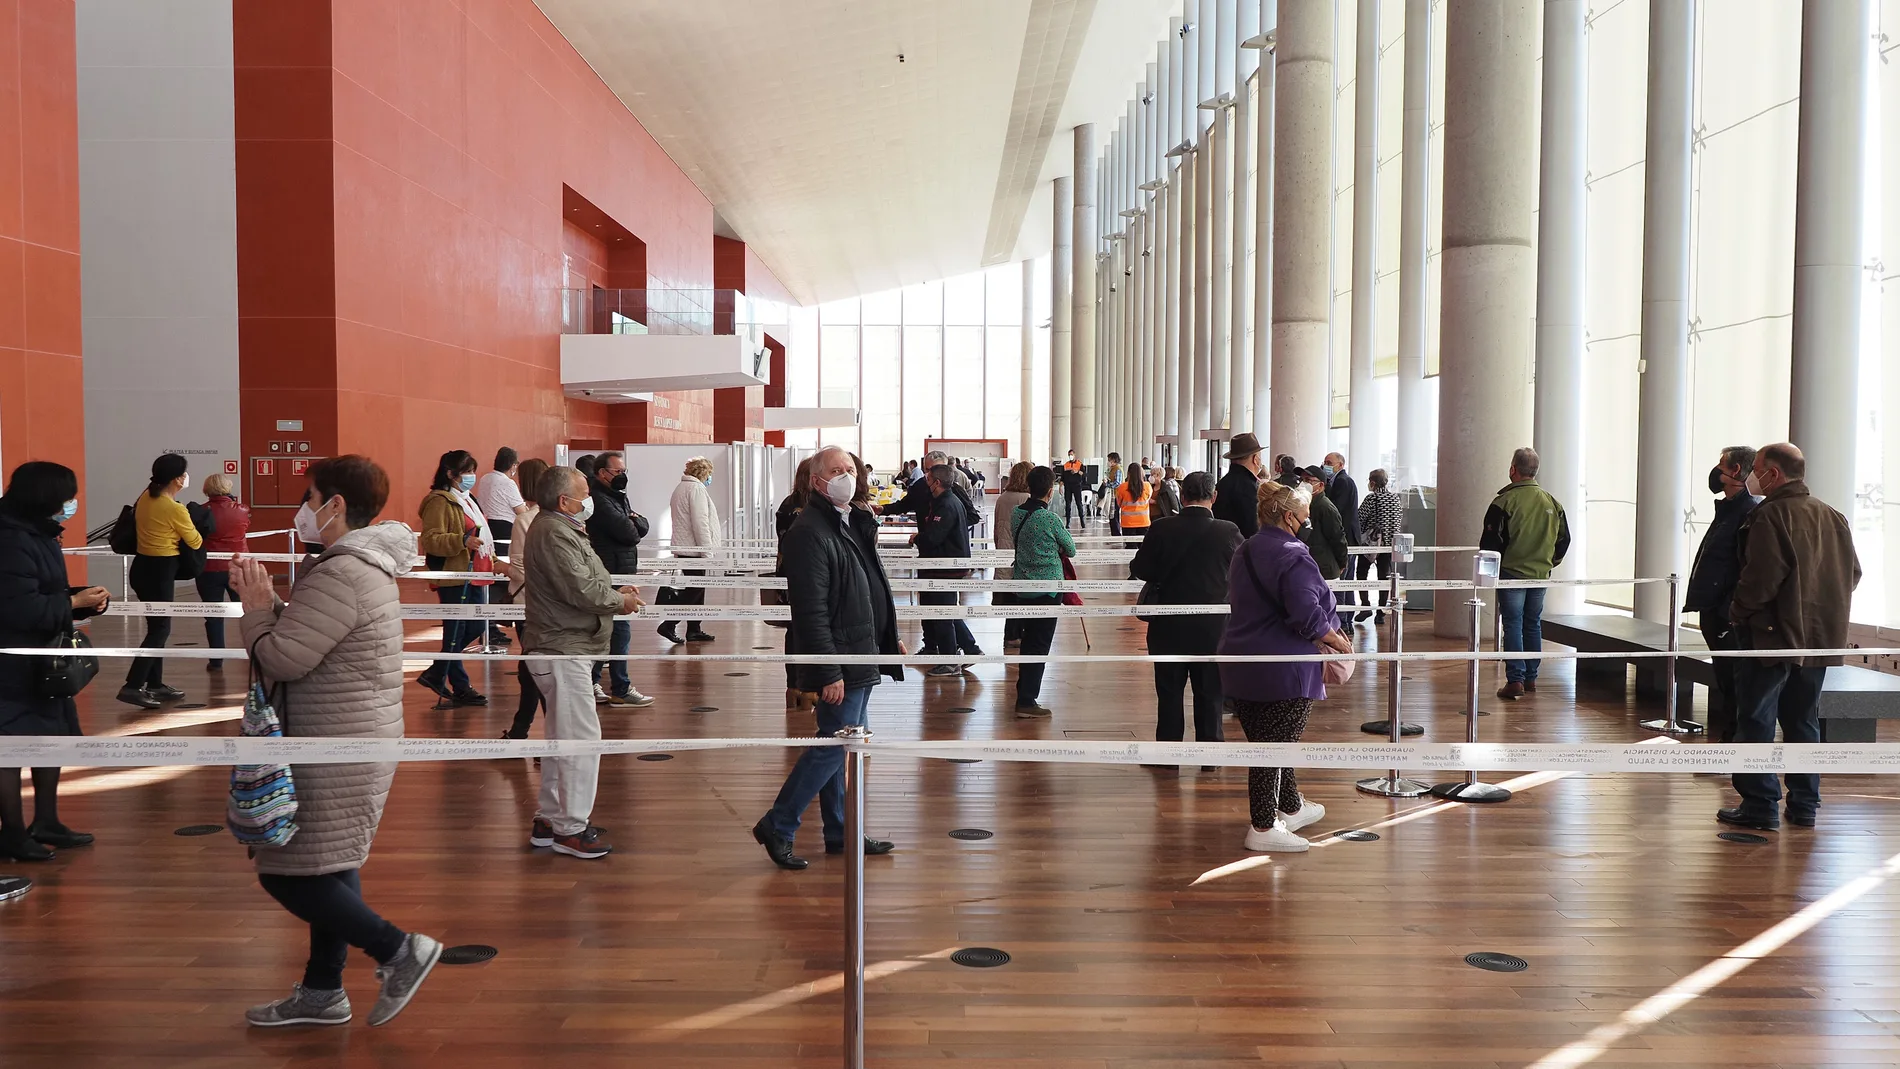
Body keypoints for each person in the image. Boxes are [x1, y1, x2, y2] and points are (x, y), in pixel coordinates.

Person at [228, 454, 443, 1028]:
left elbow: (281, 657)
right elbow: (309, 637)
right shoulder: (354, 567)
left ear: (336, 505)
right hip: (348, 735)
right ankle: (323, 991)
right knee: (330, 865)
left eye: (309, 497)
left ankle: (399, 950)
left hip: (335, 741)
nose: (302, 511)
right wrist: (271, 605)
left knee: (285, 871)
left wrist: (253, 613)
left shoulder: (342, 571)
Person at [753, 445, 902, 870]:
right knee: (834, 746)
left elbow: (869, 589)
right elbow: (811, 612)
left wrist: (888, 640)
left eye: (850, 469)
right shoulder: (809, 532)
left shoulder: (853, 521)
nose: (846, 476)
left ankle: (840, 830)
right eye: (837, 470)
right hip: (841, 657)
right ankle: (778, 823)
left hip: (861, 648)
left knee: (842, 744)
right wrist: (828, 671)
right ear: (817, 481)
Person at [1720, 443, 1861, 832]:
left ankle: (1760, 803)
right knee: (1803, 720)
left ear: (1774, 474)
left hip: (1771, 636)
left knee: (1756, 719)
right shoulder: (1833, 516)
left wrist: (1737, 612)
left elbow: (1760, 579)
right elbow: (1853, 574)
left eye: (1758, 468)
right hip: (1818, 637)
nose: (1752, 475)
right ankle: (1804, 805)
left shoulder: (1769, 515)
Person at [1219, 481, 1353, 853]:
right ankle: (1263, 826)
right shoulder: (1294, 554)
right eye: (1305, 516)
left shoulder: (1244, 549)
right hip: (1284, 668)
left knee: (1271, 740)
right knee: (1272, 747)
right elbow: (1306, 612)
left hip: (1240, 661)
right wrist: (1335, 639)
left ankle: (1289, 806)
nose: (1307, 522)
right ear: (1290, 517)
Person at [522, 465, 645, 859]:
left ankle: (551, 819)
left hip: (564, 647)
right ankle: (570, 828)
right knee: (579, 741)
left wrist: (612, 587)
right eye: (582, 494)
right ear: (564, 501)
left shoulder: (558, 528)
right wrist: (618, 601)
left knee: (564, 737)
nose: (587, 501)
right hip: (562, 649)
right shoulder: (554, 532)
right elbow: (579, 590)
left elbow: (586, 578)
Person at [0, 461, 109, 861]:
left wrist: (80, 600)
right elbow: (18, 608)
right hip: (12, 666)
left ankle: (46, 820)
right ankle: (11, 832)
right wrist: (71, 603)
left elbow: (45, 591)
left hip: (43, 661)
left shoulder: (38, 532)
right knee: (8, 750)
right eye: (67, 496)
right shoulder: (11, 539)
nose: (71, 504)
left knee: (50, 739)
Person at [1130, 471, 1242, 744]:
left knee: (1168, 692)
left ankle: (1169, 752)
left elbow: (1141, 568)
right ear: (1213, 497)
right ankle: (1211, 750)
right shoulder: (1228, 531)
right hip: (1212, 627)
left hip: (1168, 624)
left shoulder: (1161, 528)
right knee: (1211, 692)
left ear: (1182, 496)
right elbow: (1242, 571)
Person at [1480, 447, 1571, 701]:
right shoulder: (1553, 502)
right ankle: (1531, 677)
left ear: (1513, 470)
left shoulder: (1503, 502)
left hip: (1511, 573)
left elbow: (1489, 544)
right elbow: (1564, 540)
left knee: (1512, 624)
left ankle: (1515, 680)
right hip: (1540, 574)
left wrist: (1492, 573)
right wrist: (1548, 564)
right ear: (1535, 471)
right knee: (1533, 624)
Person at [1684, 446, 1760, 743]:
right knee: (1726, 683)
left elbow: (1744, 568)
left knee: (1734, 684)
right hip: (1715, 611)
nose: (1717, 471)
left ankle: (1733, 747)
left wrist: (1730, 612)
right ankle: (1729, 744)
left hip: (1727, 615)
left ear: (1736, 471)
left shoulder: (1748, 513)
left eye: (1721, 465)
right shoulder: (1728, 510)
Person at [119, 453, 203, 709]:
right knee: (160, 630)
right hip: (160, 571)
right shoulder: (174, 509)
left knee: (156, 627)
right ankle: (132, 686)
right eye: (185, 473)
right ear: (178, 479)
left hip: (142, 568)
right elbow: (196, 541)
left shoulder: (145, 497)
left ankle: (155, 683)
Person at [415, 450, 490, 709]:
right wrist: (461, 541)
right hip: (455, 575)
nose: (472, 476)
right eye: (467, 471)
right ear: (450, 474)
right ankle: (460, 686)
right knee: (457, 631)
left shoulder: (469, 500)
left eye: (473, 470)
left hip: (476, 572)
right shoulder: (439, 502)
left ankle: (437, 672)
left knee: (472, 629)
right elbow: (431, 539)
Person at [583, 451, 653, 707]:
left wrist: (634, 521)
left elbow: (641, 524)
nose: (622, 476)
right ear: (602, 473)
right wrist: (633, 522)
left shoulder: (617, 497)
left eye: (624, 472)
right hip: (609, 573)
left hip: (621, 571)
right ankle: (618, 687)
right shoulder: (600, 501)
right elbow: (630, 533)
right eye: (617, 472)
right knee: (615, 632)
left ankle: (599, 683)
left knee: (613, 632)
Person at [1008, 465, 1075, 717]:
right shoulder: (1050, 519)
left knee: (1029, 641)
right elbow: (1070, 548)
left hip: (1022, 586)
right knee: (1039, 644)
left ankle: (1023, 690)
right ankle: (1026, 700)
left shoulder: (1017, 513)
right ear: (1050, 491)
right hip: (1048, 589)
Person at [914, 463, 981, 675]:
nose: (925, 482)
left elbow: (934, 537)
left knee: (943, 614)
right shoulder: (948, 501)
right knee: (947, 611)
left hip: (945, 568)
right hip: (946, 566)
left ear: (937, 482)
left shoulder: (946, 505)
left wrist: (918, 538)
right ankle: (970, 649)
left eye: (928, 478)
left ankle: (951, 660)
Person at [501, 458, 550, 740]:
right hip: (552, 607)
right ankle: (520, 730)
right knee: (532, 669)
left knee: (534, 671)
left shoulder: (525, 520)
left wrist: (501, 566)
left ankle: (543, 736)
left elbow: (520, 570)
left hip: (530, 606)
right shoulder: (564, 520)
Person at [657, 456, 721, 645]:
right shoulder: (696, 489)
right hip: (694, 550)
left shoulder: (682, 488)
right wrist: (707, 551)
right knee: (694, 589)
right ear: (703, 473)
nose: (710, 477)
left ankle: (694, 629)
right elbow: (700, 522)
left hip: (686, 548)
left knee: (697, 589)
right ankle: (669, 623)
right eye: (709, 473)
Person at [198, 472, 252, 671]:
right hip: (237, 566)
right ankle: (255, 652)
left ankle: (216, 659)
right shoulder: (242, 510)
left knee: (213, 616)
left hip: (209, 569)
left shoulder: (201, 512)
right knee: (248, 612)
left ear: (207, 490)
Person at [777, 457, 817, 710]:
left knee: (793, 632)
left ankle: (793, 686)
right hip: (810, 578)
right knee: (813, 631)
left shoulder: (786, 504)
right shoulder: (815, 506)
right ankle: (811, 686)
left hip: (788, 576)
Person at [992, 462, 1035, 650]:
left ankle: (1010, 635)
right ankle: (1019, 635)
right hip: (1021, 552)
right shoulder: (1027, 498)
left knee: (1009, 596)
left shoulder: (1002, 498)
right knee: (1022, 596)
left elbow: (996, 529)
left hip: (1003, 550)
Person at [1354, 468, 1404, 624]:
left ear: (1373, 482)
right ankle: (1381, 612)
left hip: (1372, 544)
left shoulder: (1372, 499)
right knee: (1384, 577)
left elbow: (1359, 519)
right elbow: (1399, 519)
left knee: (1361, 573)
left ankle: (1366, 606)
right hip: (1389, 545)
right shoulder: (1395, 498)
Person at [1297, 466, 1350, 582]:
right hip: (1309, 567)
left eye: (1308, 480)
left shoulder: (1325, 507)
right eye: (1302, 480)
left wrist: (1342, 563)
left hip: (1325, 570)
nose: (1303, 484)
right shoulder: (1305, 504)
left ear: (1321, 485)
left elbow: (1337, 538)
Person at [475, 447, 526, 558]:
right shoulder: (508, 483)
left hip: (486, 526)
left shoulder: (485, 478)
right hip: (505, 528)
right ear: (513, 465)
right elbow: (521, 511)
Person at [1214, 434, 1264, 538]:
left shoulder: (1221, 484)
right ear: (1255, 459)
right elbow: (1252, 528)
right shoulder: (1250, 487)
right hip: (1242, 549)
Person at [1115, 461, 1153, 545]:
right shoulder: (1147, 486)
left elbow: (1119, 503)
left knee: (1130, 547)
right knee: (1143, 548)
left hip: (1127, 523)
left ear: (1128, 473)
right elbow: (1148, 499)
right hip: (1143, 521)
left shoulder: (1122, 487)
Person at [1060, 450, 1089, 527]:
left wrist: (1077, 471)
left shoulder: (1079, 464)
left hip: (1077, 486)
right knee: (1068, 505)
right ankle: (1068, 522)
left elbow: (1084, 474)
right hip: (1068, 486)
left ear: (1074, 455)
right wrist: (1060, 486)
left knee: (1079, 504)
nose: (1070, 456)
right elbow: (1062, 478)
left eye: (1072, 454)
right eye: (1069, 455)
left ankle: (1082, 521)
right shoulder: (1066, 465)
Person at [1100, 453, 1124, 536]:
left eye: (1109, 460)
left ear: (1114, 460)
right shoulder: (1112, 469)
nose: (1108, 462)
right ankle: (1114, 534)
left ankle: (1116, 534)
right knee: (1112, 515)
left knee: (1114, 515)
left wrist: (1107, 484)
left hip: (1116, 495)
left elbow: (1118, 483)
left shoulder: (1118, 469)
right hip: (1112, 495)